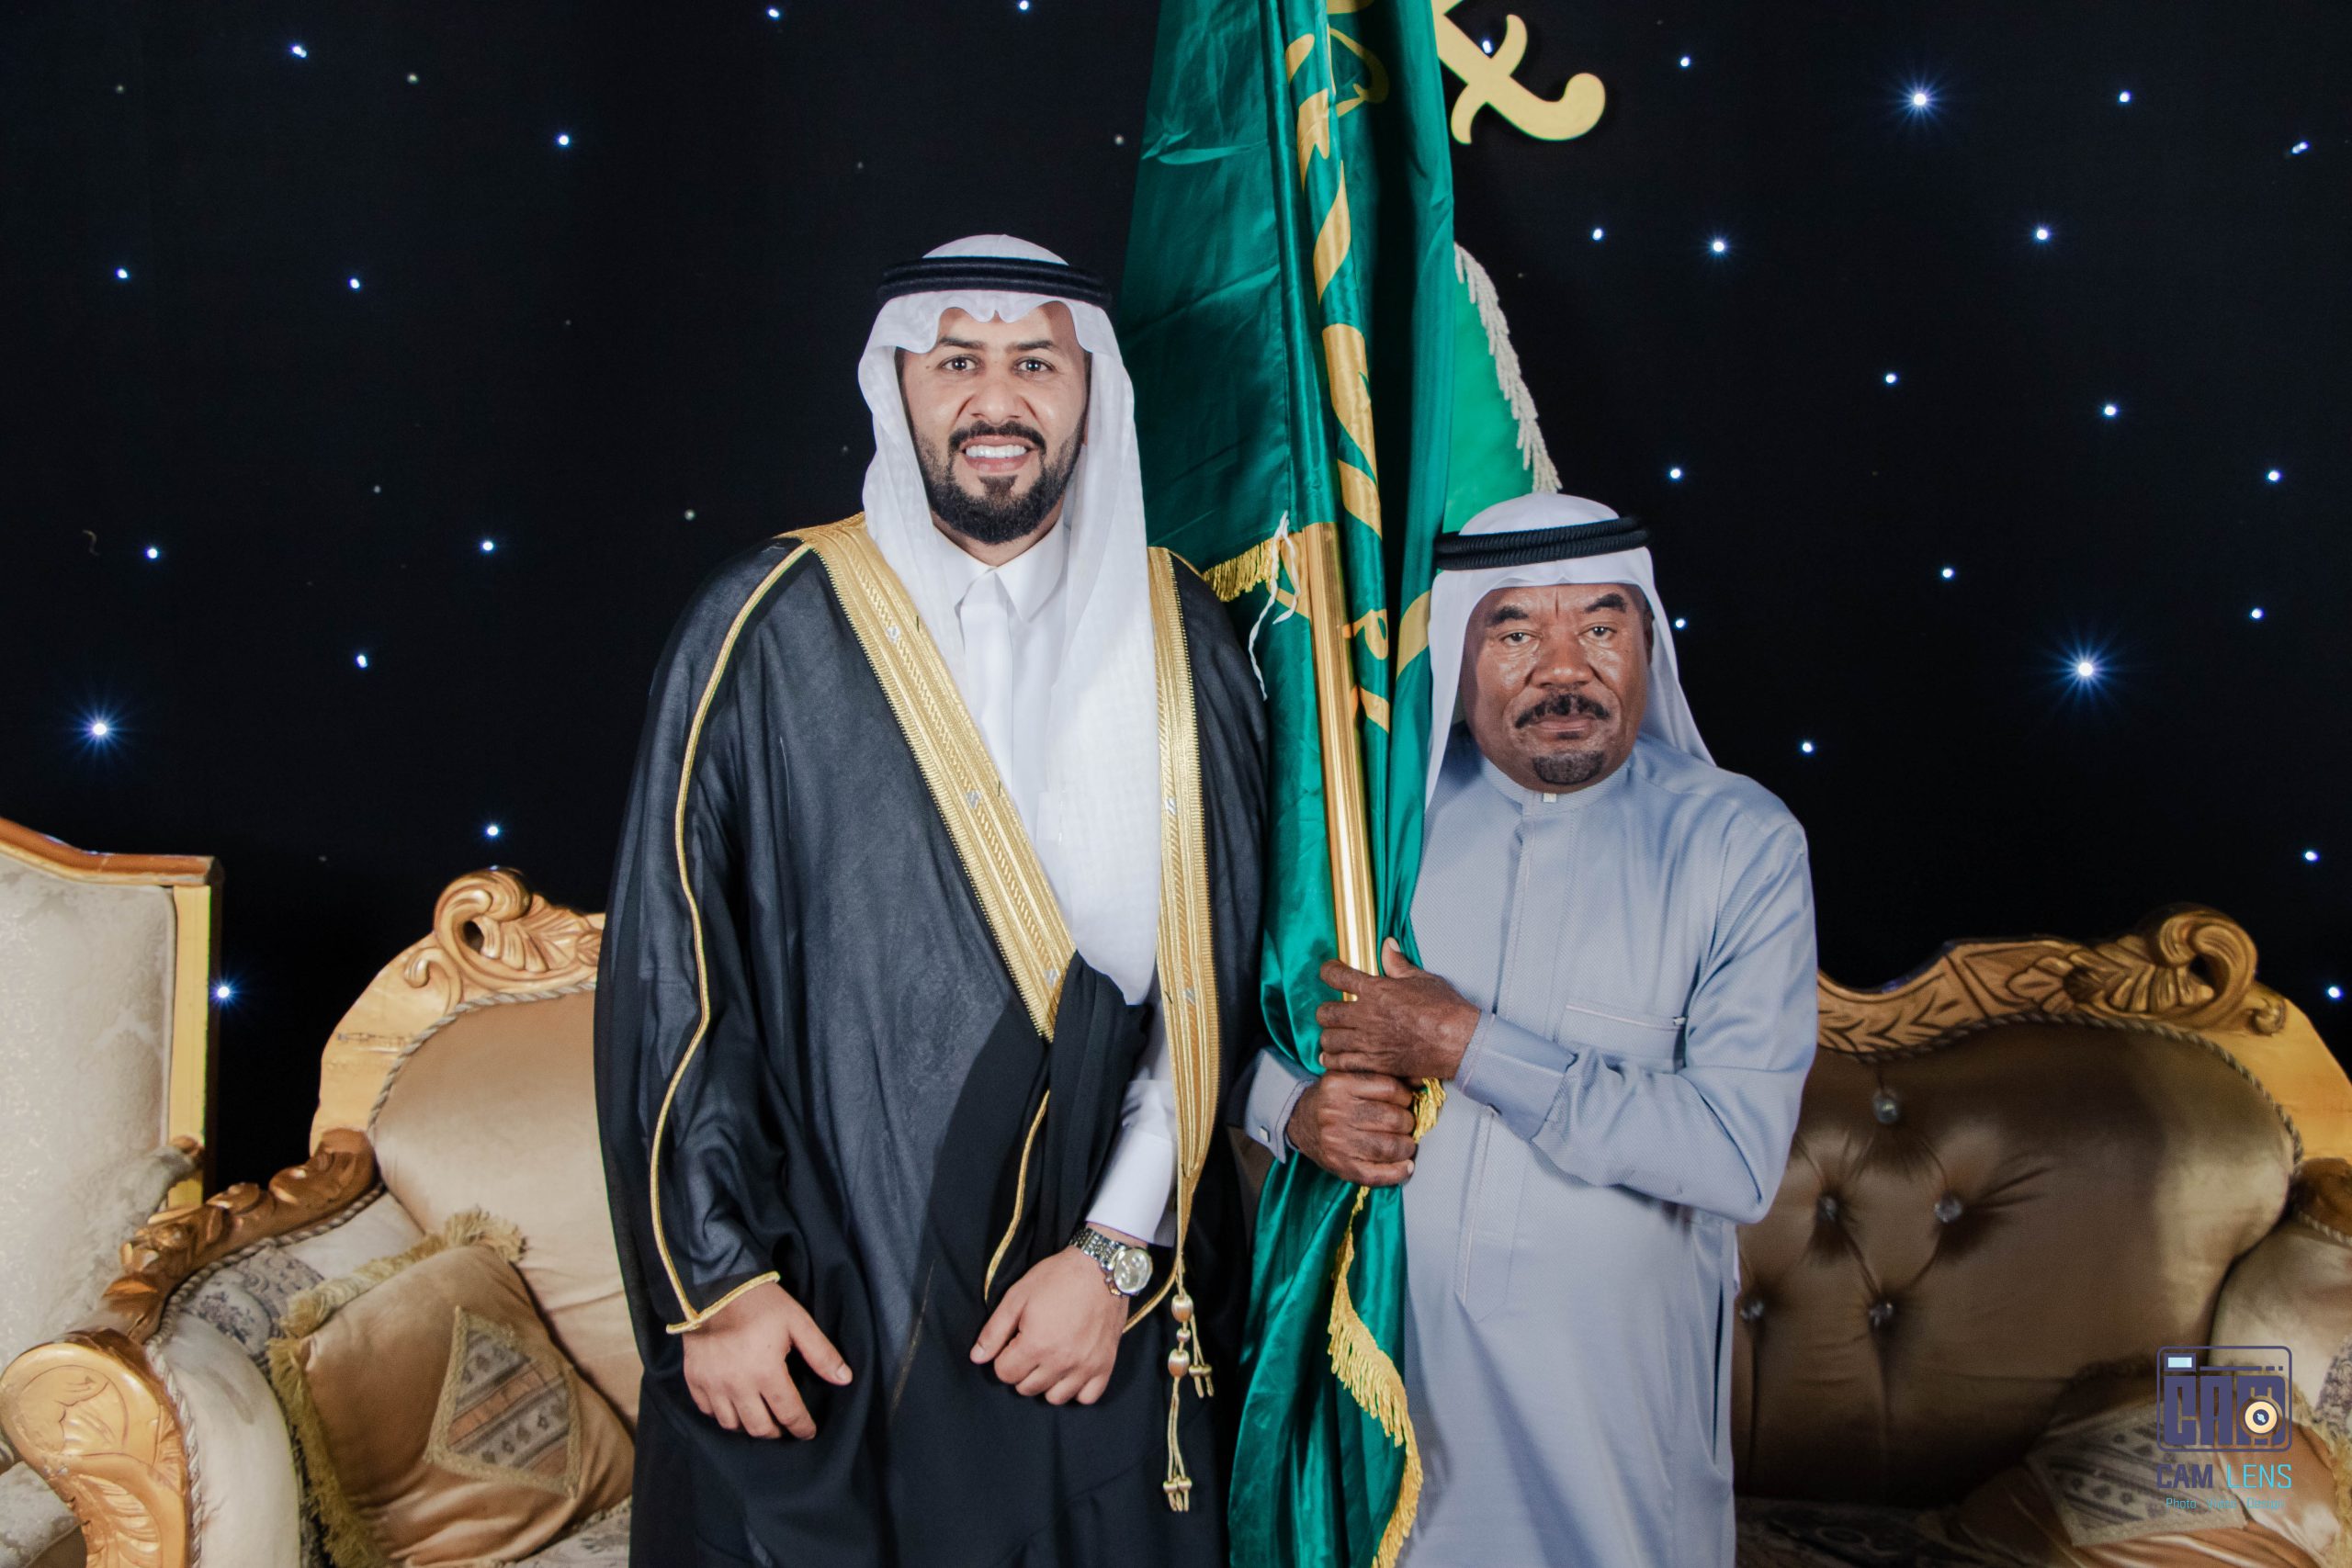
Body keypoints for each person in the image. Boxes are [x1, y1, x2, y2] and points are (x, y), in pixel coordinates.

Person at [595, 235, 1264, 1568]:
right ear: (896, 385)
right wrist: (716, 1282)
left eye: (1036, 365)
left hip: (1095, 1300)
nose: (994, 399)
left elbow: (1213, 987)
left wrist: (1114, 1252)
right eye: (956, 361)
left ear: (1093, 390)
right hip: (824, 1283)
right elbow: (674, 974)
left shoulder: (1186, 637)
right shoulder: (765, 624)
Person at [1239, 492, 1817, 1566]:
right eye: (1514, 633)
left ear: (1647, 643)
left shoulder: (1740, 844)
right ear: (1459, 655)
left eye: (1601, 627)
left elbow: (1733, 1159)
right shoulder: (1379, 835)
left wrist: (1464, 1046)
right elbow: (1242, 1033)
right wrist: (1294, 1111)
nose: (1564, 670)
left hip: (1611, 1412)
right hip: (1388, 1385)